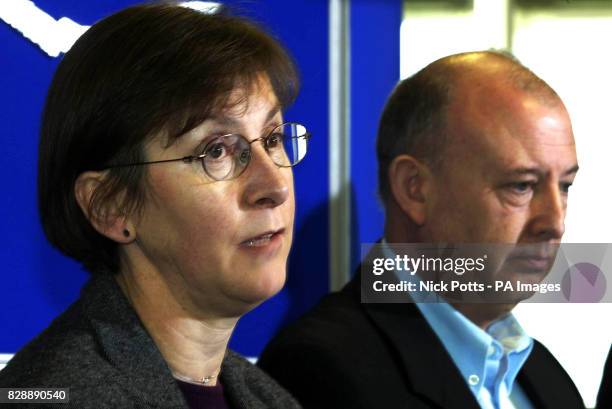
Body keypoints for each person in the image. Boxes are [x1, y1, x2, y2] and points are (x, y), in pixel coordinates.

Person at [0, 3, 309, 408]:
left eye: (272, 139)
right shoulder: (52, 396)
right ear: (111, 206)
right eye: (216, 151)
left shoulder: (269, 399)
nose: (274, 186)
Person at [258, 51, 585, 409]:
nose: (555, 222)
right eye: (521, 186)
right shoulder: (319, 370)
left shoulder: (545, 375)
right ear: (414, 188)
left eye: (565, 186)